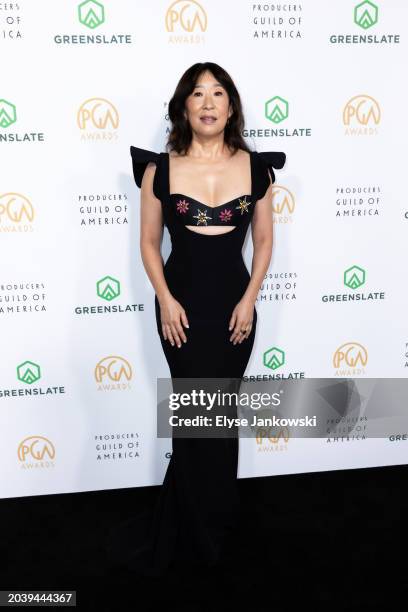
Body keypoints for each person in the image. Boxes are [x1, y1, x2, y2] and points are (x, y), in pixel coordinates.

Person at [129, 62, 286, 576]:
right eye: (197, 94)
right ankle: (186, 530)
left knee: (219, 419)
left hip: (233, 308)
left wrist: (250, 297)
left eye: (218, 93)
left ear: (231, 106)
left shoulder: (256, 168)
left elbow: (263, 241)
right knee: (191, 416)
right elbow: (149, 244)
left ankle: (215, 528)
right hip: (181, 308)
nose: (208, 102)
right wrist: (166, 298)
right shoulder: (161, 169)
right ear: (184, 107)